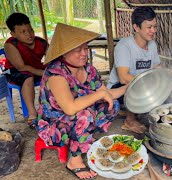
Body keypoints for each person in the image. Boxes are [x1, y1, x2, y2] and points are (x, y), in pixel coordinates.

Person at [35, 23, 127, 179]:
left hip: (78, 115)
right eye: (78, 50)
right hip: (54, 123)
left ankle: (84, 138)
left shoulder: (89, 69)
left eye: (86, 48)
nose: (84, 53)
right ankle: (75, 161)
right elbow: (70, 109)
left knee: (112, 105)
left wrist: (129, 87)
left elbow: (106, 93)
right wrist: (100, 95)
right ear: (64, 53)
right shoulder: (56, 73)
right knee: (85, 114)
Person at [107, 6, 160, 134]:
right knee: (135, 85)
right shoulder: (124, 46)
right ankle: (129, 121)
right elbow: (123, 77)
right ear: (136, 27)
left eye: (155, 26)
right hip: (118, 89)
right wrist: (148, 82)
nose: (153, 30)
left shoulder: (152, 45)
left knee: (162, 87)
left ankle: (140, 112)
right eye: (149, 27)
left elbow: (157, 68)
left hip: (141, 84)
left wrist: (170, 76)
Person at [3, 13, 48, 127]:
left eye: (30, 30)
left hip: (36, 68)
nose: (29, 34)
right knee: (27, 77)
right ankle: (32, 114)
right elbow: (21, 67)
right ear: (13, 34)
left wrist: (51, 69)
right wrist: (44, 72)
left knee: (57, 72)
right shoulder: (10, 44)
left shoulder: (41, 42)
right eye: (23, 32)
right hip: (14, 71)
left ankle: (52, 107)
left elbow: (52, 58)